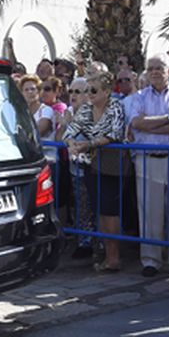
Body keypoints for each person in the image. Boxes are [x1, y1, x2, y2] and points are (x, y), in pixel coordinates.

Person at [124, 54, 169, 277]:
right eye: (150, 68)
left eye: (159, 68)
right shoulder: (139, 97)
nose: (154, 72)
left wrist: (151, 125)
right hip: (147, 158)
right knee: (149, 212)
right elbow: (136, 123)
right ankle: (151, 260)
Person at [63, 71, 126, 272]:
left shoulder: (116, 106)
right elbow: (69, 130)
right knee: (99, 209)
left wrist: (87, 144)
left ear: (107, 91)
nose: (89, 94)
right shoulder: (86, 109)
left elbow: (114, 134)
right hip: (92, 164)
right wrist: (72, 143)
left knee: (111, 211)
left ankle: (113, 257)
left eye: (93, 90)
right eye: (88, 90)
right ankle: (106, 256)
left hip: (112, 165)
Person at [56, 77, 95, 259]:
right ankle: (83, 242)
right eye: (71, 91)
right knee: (79, 206)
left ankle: (94, 243)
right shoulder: (69, 112)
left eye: (77, 92)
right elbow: (58, 140)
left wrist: (70, 126)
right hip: (74, 168)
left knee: (92, 206)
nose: (73, 95)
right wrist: (64, 125)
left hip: (92, 167)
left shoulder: (94, 112)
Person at [19, 75, 56, 141]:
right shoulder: (20, 111)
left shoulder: (46, 110)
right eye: (26, 90)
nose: (30, 92)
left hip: (45, 150)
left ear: (39, 91)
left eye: (33, 89)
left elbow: (39, 131)